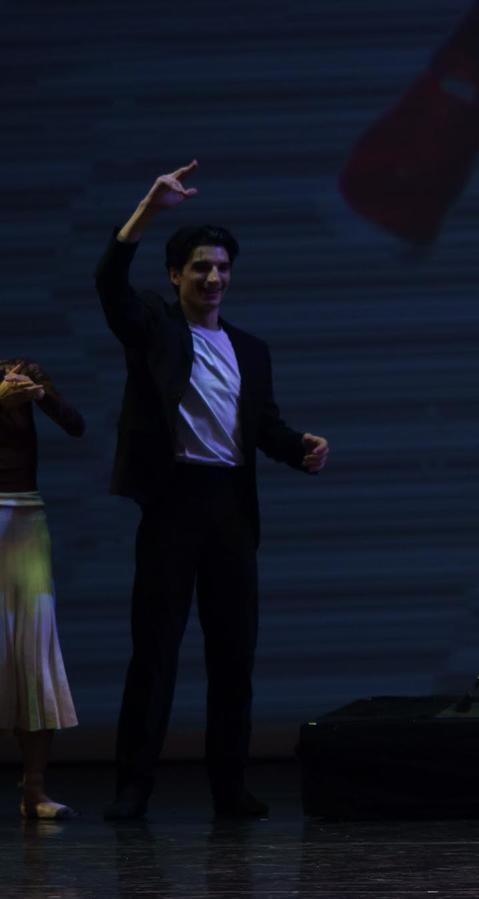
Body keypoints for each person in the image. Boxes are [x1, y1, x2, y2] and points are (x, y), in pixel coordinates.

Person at [95, 160, 330, 820]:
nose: (213, 278)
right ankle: (133, 787)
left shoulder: (250, 349)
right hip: (174, 501)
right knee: (156, 650)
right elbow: (110, 284)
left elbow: (261, 425)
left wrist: (299, 446)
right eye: (200, 267)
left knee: (233, 654)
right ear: (176, 275)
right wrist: (148, 207)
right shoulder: (156, 328)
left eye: (222, 268)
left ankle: (230, 786)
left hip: (230, 506)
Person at [0, 359, 84, 819]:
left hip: (26, 521)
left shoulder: (22, 368)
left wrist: (38, 394)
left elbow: (75, 424)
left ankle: (34, 789)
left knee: (34, 653)